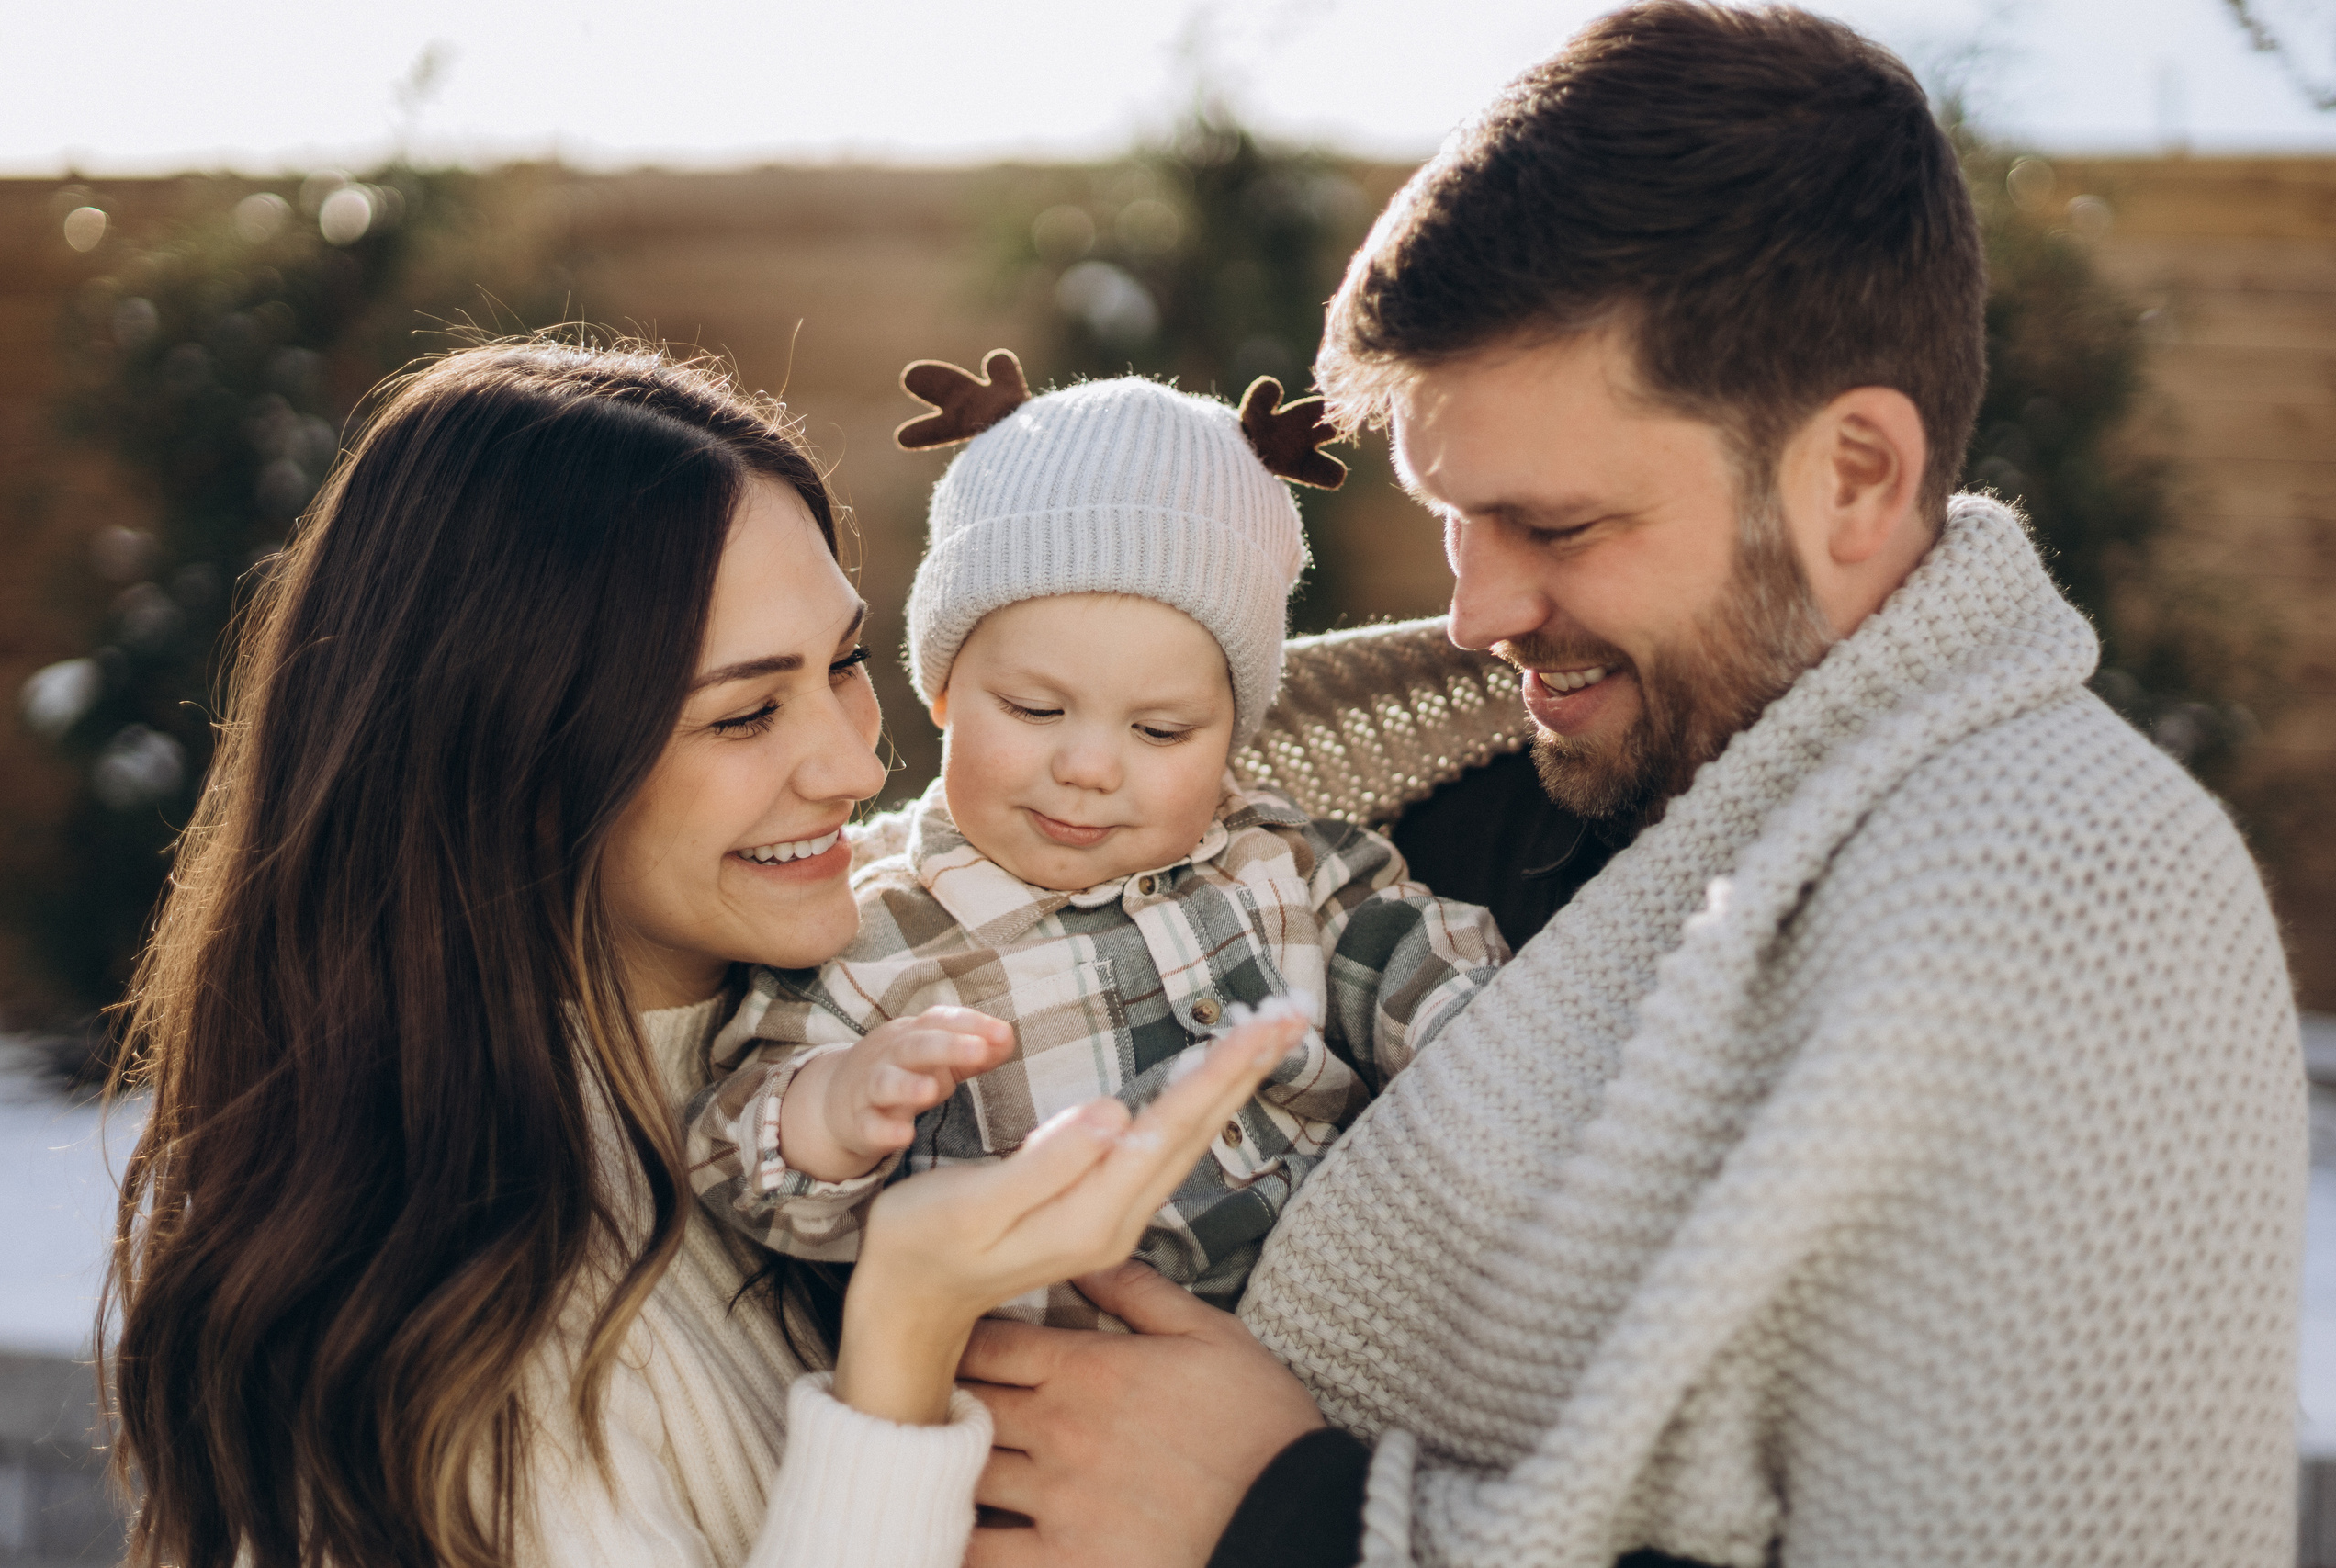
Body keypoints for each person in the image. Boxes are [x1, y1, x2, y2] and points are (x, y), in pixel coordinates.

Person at [952, 7, 2310, 1566]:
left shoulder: (2078, 891)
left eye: (1559, 525)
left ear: (1855, 475)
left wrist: (1293, 1519)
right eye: (1452, 515)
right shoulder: (1436, 783)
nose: (1476, 611)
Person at [98, 338, 1303, 1568]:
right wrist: (907, 1321)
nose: (852, 763)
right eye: (742, 713)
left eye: (844, 661)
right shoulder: (437, 1350)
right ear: (518, 769)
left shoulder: (916, 977)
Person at [685, 361, 1507, 1327]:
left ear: (1231, 733)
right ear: (941, 691)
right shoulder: (870, 938)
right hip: (1043, 1398)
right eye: (1034, 709)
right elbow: (734, 1153)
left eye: (1160, 733)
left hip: (1335, 1333)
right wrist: (827, 1112)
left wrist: (1495, 1058)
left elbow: (1432, 978)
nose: (1088, 767)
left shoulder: (1280, 863)